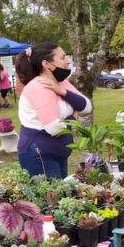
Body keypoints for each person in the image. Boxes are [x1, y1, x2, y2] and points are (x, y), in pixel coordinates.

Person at [16, 42, 92, 179]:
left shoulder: (61, 83)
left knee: (62, 196)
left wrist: (63, 92)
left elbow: (86, 107)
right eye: (63, 58)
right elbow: (55, 128)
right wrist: (73, 116)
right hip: (40, 154)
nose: (68, 61)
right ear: (47, 64)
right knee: (51, 199)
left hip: (58, 152)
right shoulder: (39, 87)